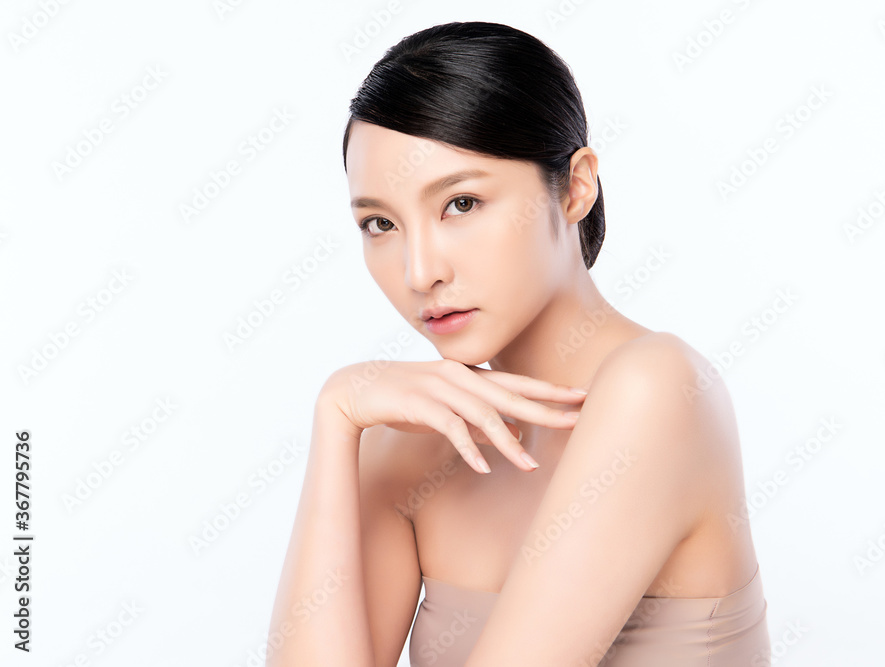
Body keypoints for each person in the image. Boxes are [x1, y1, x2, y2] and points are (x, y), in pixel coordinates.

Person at [267, 21, 770, 667]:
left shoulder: (658, 389)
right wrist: (337, 413)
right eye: (381, 223)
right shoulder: (409, 443)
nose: (420, 272)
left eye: (462, 203)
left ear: (576, 186)